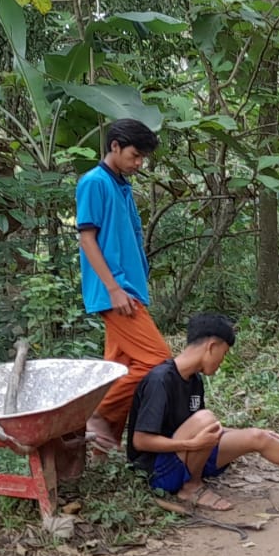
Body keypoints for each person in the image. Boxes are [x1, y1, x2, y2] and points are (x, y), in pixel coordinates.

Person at [127, 312, 279, 511]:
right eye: (224, 353)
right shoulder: (160, 380)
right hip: (158, 471)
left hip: (185, 458)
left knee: (257, 437)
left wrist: (246, 431)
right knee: (206, 418)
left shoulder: (194, 381)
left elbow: (196, 429)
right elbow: (141, 441)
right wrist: (193, 445)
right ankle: (192, 488)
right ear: (212, 346)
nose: (222, 361)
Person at [77, 118, 169, 455]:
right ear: (114, 146)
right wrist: (114, 288)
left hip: (130, 288)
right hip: (116, 292)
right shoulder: (94, 182)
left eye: (143, 157)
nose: (139, 163)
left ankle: (101, 448)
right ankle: (96, 414)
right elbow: (87, 240)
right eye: (134, 155)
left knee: (121, 368)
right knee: (158, 361)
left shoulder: (122, 186)